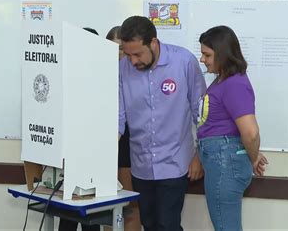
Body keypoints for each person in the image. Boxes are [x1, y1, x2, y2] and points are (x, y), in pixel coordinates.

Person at [118, 16, 206, 231]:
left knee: (168, 225)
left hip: (175, 163)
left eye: (138, 54)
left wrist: (199, 155)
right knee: (149, 224)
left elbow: (202, 114)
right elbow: (118, 117)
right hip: (141, 166)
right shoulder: (123, 68)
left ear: (154, 43)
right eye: (128, 55)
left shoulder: (184, 62)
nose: (133, 61)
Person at [196, 25, 268, 231]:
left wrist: (253, 157)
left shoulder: (234, 84)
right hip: (221, 162)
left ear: (223, 54)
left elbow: (251, 132)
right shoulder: (222, 81)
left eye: (207, 54)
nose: (202, 59)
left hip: (224, 164)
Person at [58, 27, 100, 231]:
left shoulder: (103, 79)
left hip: (94, 162)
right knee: (67, 218)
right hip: (68, 160)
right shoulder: (63, 78)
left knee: (90, 219)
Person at [106, 26, 141, 230]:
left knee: (129, 202)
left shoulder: (135, 73)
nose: (117, 54)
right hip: (107, 144)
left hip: (129, 143)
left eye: (121, 49)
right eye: (112, 49)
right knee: (105, 202)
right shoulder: (98, 75)